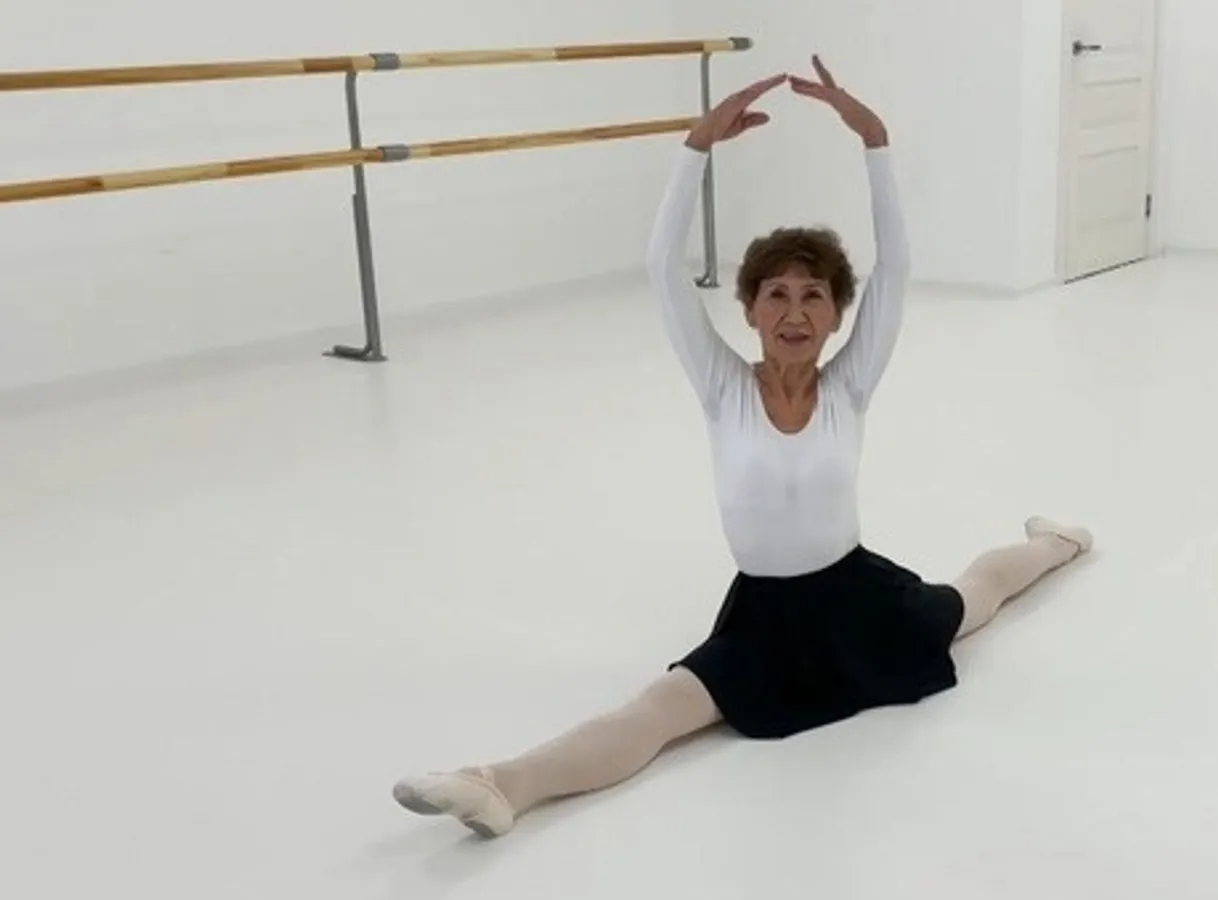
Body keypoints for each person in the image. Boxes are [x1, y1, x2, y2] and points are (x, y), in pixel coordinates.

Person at [391, 57, 1092, 839]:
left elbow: (896, 267)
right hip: (767, 614)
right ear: (751, 309)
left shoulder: (850, 386)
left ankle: (1058, 542)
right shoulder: (721, 385)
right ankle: (499, 785)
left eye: (814, 295)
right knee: (659, 712)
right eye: (776, 294)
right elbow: (660, 268)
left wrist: (875, 141)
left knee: (973, 598)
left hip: (858, 600)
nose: (795, 312)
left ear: (837, 316)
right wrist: (695, 148)